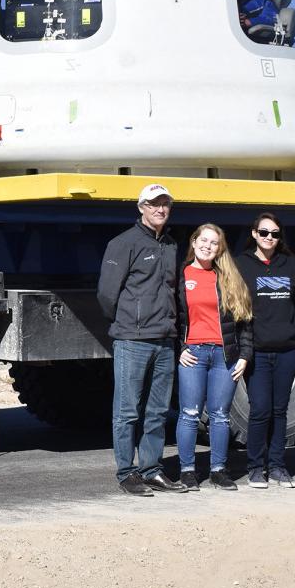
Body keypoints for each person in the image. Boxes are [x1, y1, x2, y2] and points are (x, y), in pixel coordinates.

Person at [97, 184, 186, 497]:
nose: (160, 209)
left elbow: (175, 291)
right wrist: (127, 322)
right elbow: (107, 294)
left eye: (165, 204)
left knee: (158, 411)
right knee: (127, 411)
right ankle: (127, 472)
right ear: (141, 207)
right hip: (132, 340)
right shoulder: (123, 244)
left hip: (164, 339)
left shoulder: (172, 245)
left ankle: (151, 470)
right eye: (153, 204)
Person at [174, 224, 253, 492]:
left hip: (224, 355)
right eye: (203, 240)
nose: (208, 246)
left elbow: (245, 321)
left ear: (220, 248)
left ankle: (219, 471)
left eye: (214, 242)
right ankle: (187, 472)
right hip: (194, 354)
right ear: (194, 242)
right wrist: (180, 348)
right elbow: (170, 317)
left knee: (220, 415)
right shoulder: (181, 276)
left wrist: (244, 356)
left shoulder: (228, 277)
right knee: (189, 413)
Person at [234, 212, 295, 490]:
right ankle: (256, 468)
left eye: (275, 234)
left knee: (280, 410)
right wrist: (241, 349)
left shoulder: (290, 264)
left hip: (288, 351)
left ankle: (277, 466)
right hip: (256, 352)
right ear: (253, 233)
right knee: (260, 409)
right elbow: (235, 309)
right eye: (264, 232)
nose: (269, 238)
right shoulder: (241, 264)